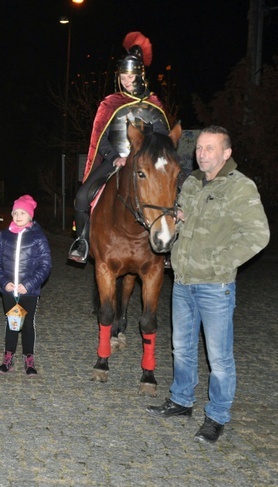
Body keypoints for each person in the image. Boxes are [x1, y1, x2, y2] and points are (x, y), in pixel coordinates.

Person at [146, 126, 270, 444]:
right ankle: (181, 401)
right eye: (199, 148)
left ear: (226, 153)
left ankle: (216, 417)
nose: (201, 154)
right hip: (183, 282)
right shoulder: (191, 182)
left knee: (219, 357)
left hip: (215, 286)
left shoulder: (239, 188)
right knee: (182, 348)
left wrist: (220, 262)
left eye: (210, 148)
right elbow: (185, 220)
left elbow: (258, 235)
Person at [68, 32, 170, 263]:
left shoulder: (154, 105)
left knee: (173, 197)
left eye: (130, 76)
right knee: (83, 197)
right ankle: (83, 241)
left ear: (140, 76)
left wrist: (147, 157)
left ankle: (170, 247)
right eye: (123, 76)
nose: (126, 80)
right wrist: (114, 157)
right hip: (115, 161)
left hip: (147, 164)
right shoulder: (110, 103)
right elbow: (100, 139)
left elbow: (162, 138)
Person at [0, 195, 52, 376]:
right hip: (9, 290)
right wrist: (3, 282)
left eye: (22, 212)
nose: (18, 216)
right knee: (12, 323)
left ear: (30, 216)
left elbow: (45, 264)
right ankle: (8, 358)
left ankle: (29, 358)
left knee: (27, 325)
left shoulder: (38, 236)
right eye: (15, 212)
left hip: (29, 291)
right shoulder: (4, 235)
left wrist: (29, 284)